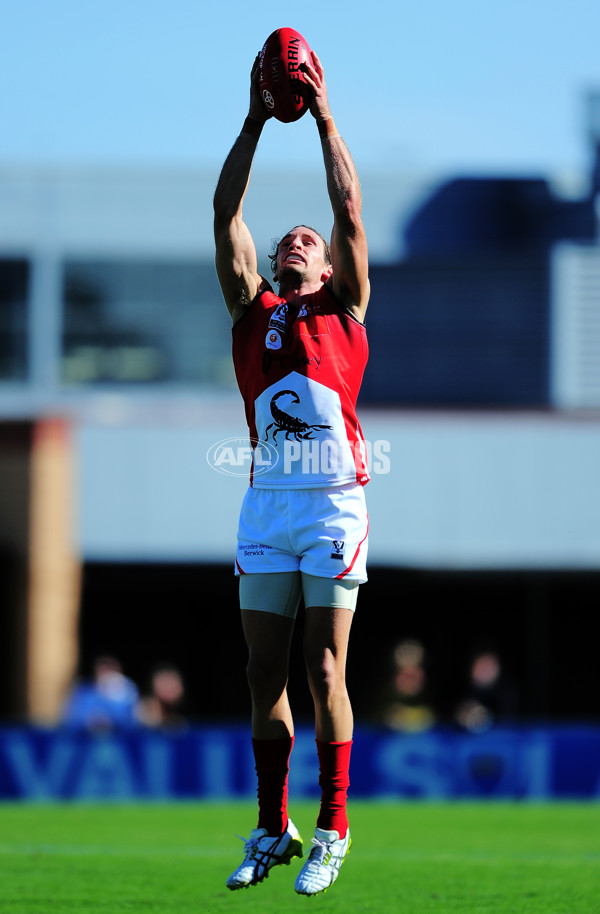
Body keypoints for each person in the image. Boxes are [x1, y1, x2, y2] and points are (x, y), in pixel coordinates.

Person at [213, 46, 370, 897]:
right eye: (289, 238)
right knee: (259, 676)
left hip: (334, 503)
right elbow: (223, 211)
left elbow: (346, 200)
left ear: (332, 264)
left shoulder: (345, 307)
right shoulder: (254, 311)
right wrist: (251, 119)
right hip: (268, 506)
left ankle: (332, 829)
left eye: (311, 238)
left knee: (323, 672)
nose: (298, 237)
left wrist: (322, 114)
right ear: (278, 266)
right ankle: (272, 827)